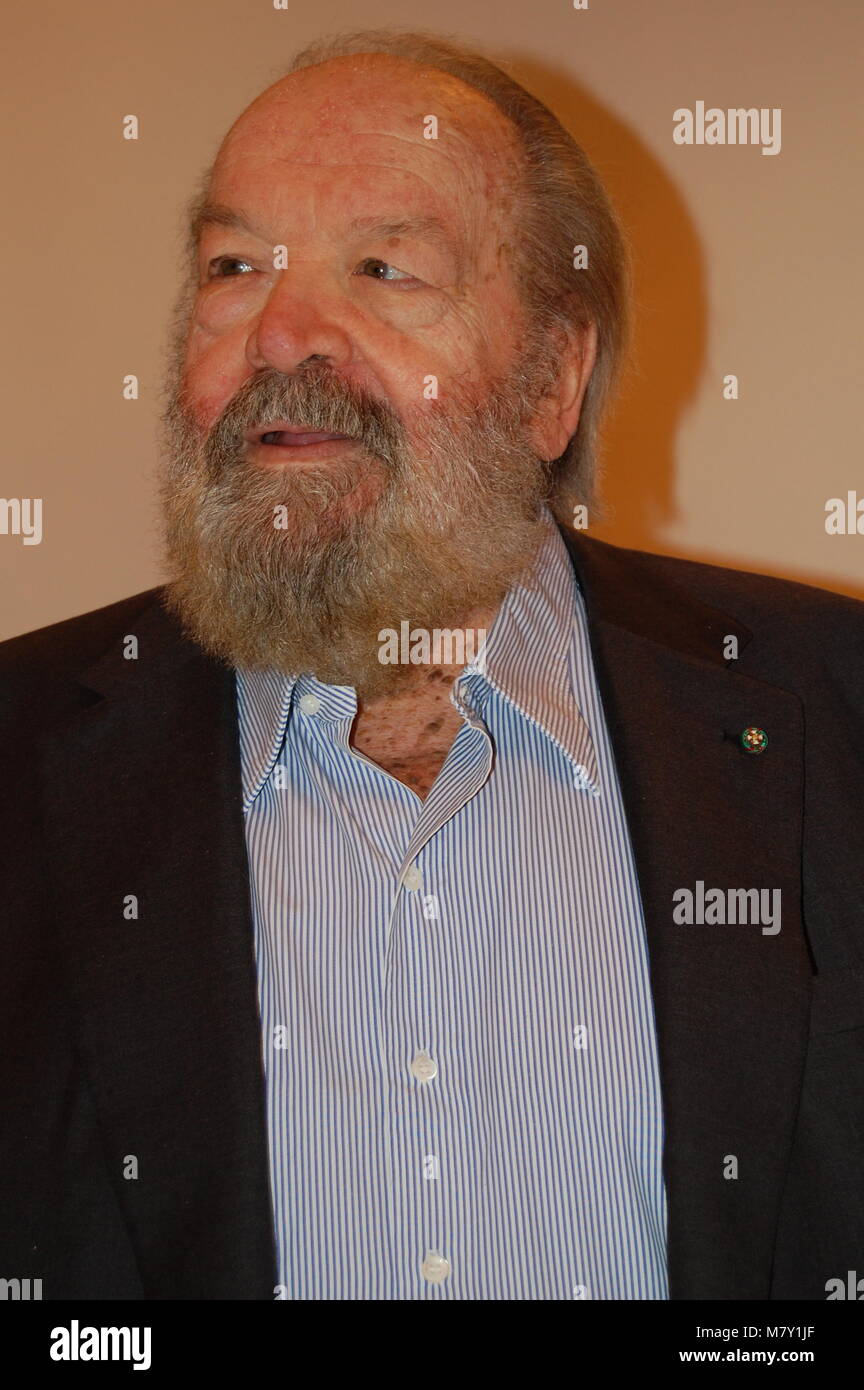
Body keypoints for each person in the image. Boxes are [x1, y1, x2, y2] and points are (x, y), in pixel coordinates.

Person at [1, 28, 862, 1302]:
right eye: (234, 266)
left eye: (385, 267)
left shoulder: (833, 710)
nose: (281, 331)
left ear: (552, 380)